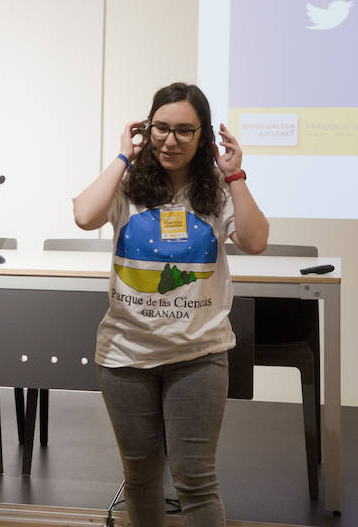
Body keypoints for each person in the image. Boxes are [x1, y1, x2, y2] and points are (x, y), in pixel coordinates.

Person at [72, 82, 268, 526]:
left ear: (203, 138)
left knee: (196, 483)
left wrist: (235, 174)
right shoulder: (127, 185)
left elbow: (255, 241)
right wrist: (123, 156)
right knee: (139, 479)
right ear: (146, 127)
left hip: (197, 357)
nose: (170, 140)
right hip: (126, 355)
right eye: (161, 128)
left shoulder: (216, 189)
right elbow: (85, 216)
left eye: (184, 130)